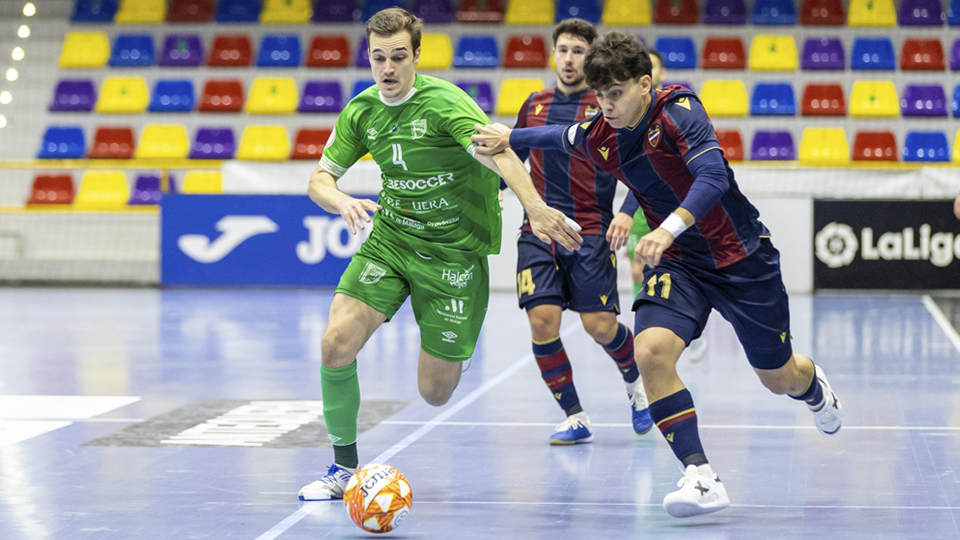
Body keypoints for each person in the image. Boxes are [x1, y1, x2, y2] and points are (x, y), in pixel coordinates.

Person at [472, 32, 843, 518]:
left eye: (617, 93)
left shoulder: (678, 109)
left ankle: (813, 386)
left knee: (778, 377)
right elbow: (556, 137)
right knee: (649, 350)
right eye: (600, 94)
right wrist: (508, 138)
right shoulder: (599, 132)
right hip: (681, 264)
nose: (606, 104)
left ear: (645, 84)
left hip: (741, 258)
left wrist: (666, 229)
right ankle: (701, 476)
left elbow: (713, 178)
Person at [298, 7, 581, 501]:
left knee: (435, 392)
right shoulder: (362, 111)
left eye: (398, 58)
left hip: (453, 253)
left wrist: (534, 207)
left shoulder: (445, 104)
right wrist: (340, 198)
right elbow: (319, 179)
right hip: (392, 238)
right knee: (335, 343)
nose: (388, 69)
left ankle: (455, 348)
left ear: (417, 57)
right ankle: (344, 467)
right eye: (378, 57)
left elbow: (499, 151)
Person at [504, 18, 652, 446]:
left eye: (578, 52)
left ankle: (635, 385)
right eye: (563, 50)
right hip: (539, 230)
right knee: (542, 321)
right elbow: (512, 157)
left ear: (591, 57)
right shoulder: (534, 104)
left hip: (591, 231)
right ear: (553, 54)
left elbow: (644, 166)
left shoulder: (608, 104)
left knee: (601, 326)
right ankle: (574, 415)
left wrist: (626, 210)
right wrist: (490, 191)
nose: (569, 59)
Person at [617, 48, 707, 363]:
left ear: (658, 74)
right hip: (643, 210)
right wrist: (627, 213)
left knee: (680, 264)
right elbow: (638, 176)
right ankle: (652, 323)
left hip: (676, 209)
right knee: (639, 266)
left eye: (654, 68)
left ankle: (686, 323)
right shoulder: (628, 117)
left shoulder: (676, 110)